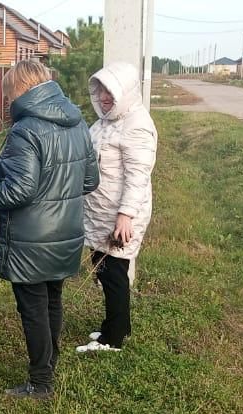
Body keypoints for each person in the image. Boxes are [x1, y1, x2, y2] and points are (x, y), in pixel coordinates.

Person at [0, 60, 98, 400]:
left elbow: (19, 191)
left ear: (18, 90)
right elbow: (90, 180)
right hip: (67, 232)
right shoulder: (78, 122)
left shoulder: (25, 130)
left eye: (8, 93)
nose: (6, 100)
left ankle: (41, 383)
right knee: (52, 300)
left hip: (31, 240)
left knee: (33, 308)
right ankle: (48, 364)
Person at [77, 62, 159, 354]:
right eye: (100, 93)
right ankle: (119, 325)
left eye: (110, 93)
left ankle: (112, 340)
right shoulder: (104, 123)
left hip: (119, 216)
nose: (104, 99)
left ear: (125, 92)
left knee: (113, 274)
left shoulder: (137, 125)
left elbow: (138, 176)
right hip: (100, 213)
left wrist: (125, 216)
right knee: (105, 271)